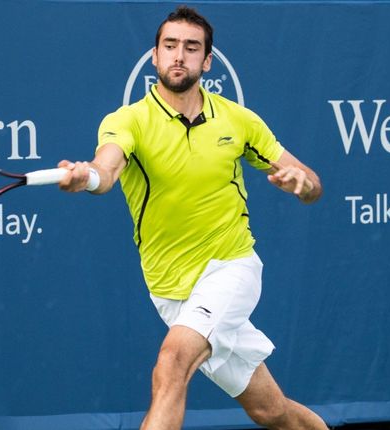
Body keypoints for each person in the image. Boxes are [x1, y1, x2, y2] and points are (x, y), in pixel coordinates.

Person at [58, 5, 326, 430]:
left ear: (207, 61)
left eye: (190, 47)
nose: (178, 55)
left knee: (172, 363)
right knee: (272, 412)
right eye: (170, 46)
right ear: (154, 55)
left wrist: (303, 184)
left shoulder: (238, 121)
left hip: (230, 267)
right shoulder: (129, 121)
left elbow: (311, 182)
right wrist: (85, 177)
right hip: (170, 291)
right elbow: (105, 169)